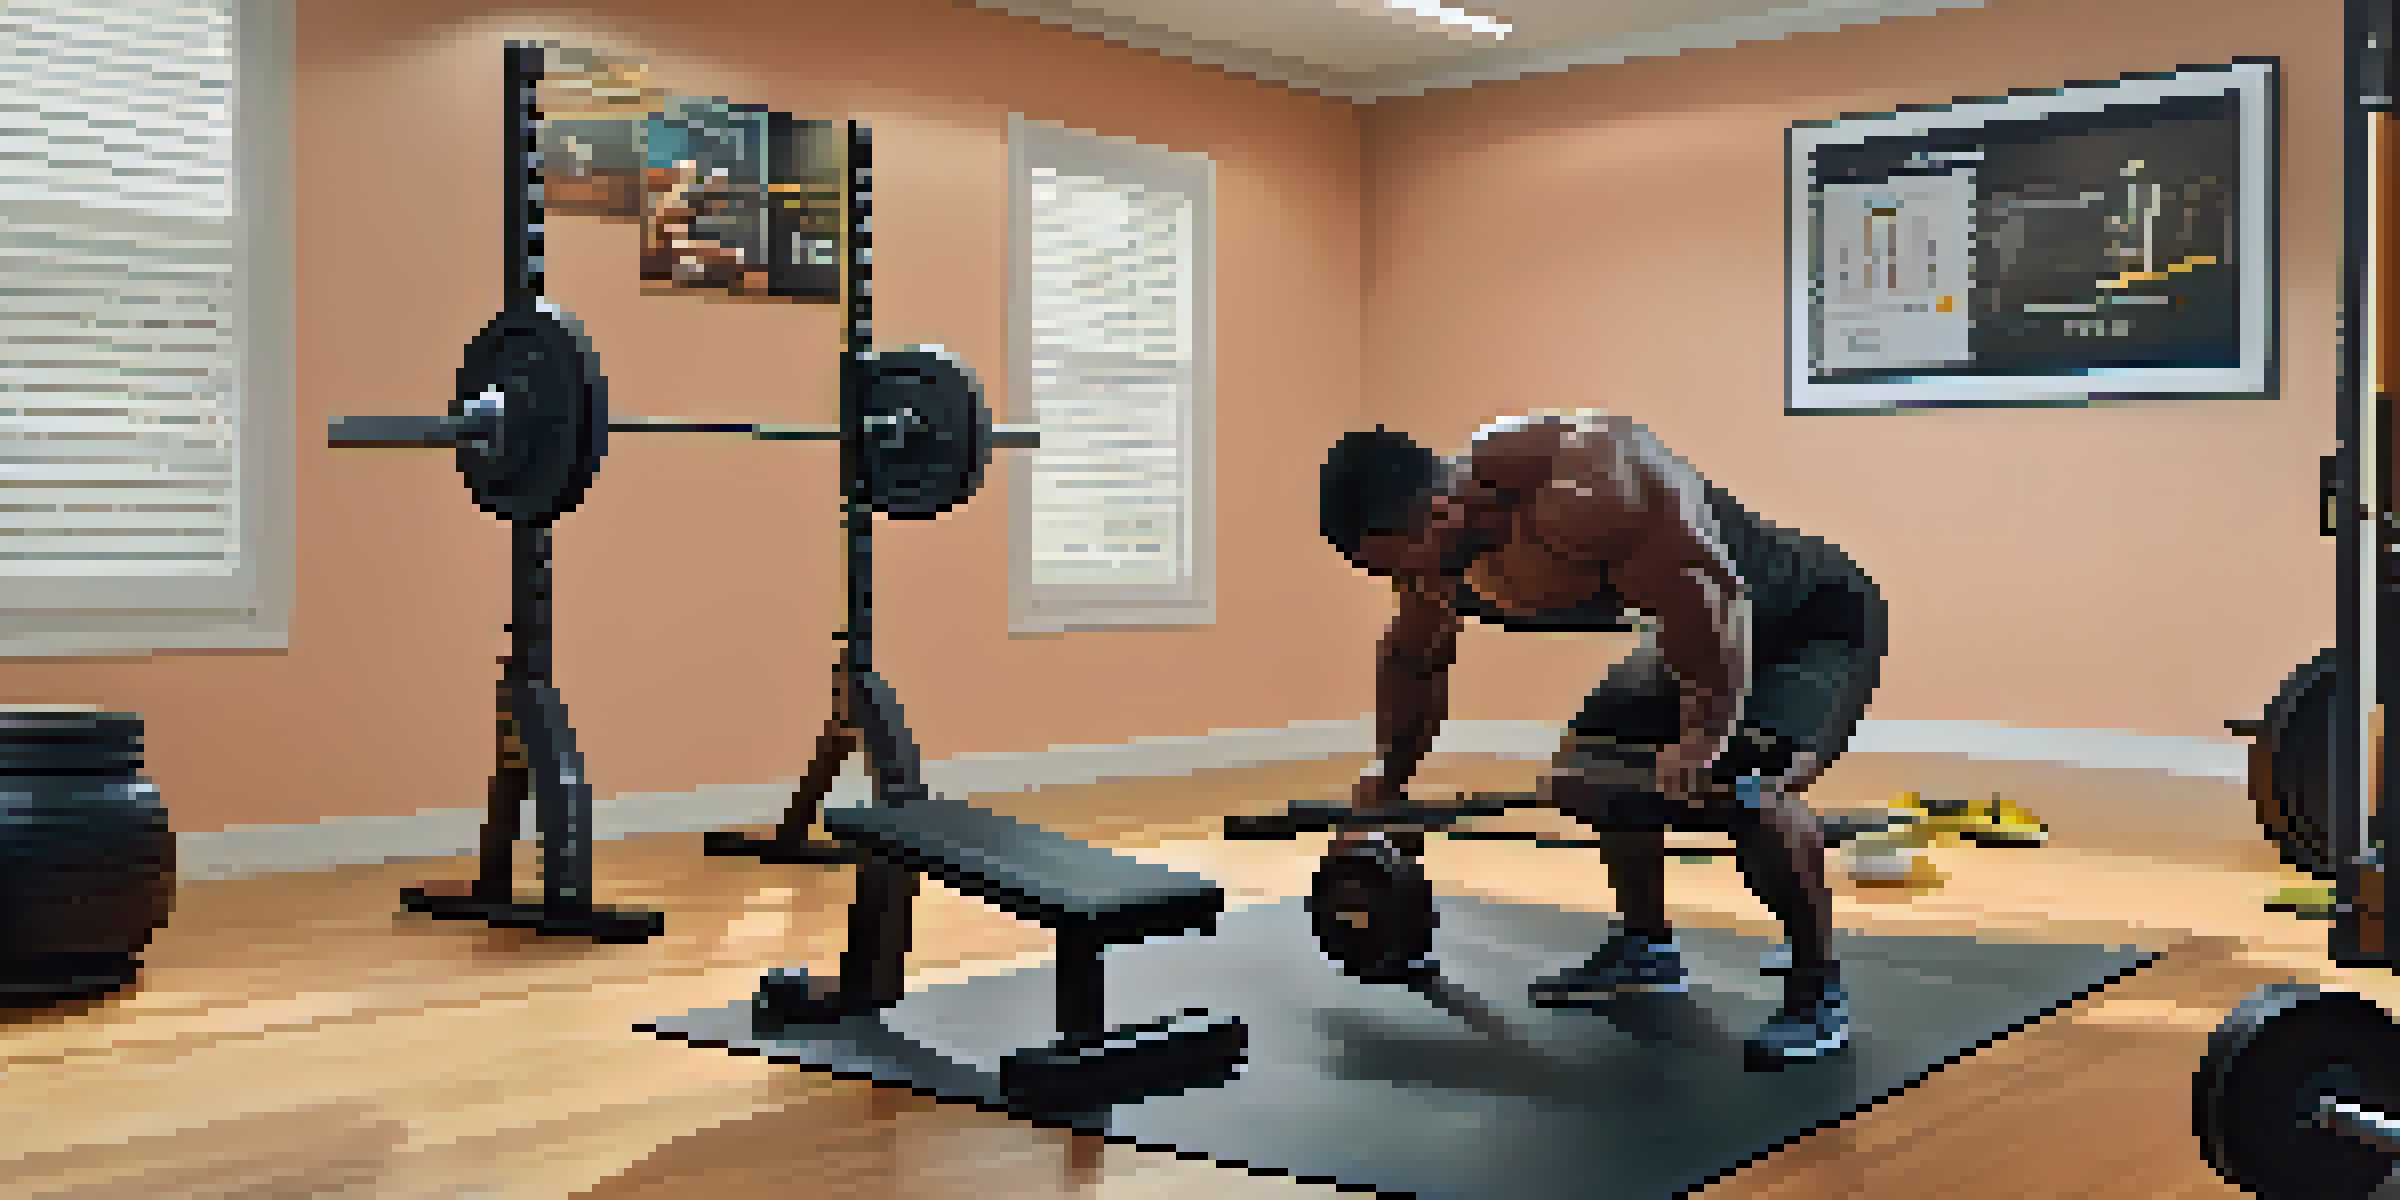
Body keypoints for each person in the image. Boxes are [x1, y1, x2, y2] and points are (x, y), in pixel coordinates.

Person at [1317, 414, 1888, 1070]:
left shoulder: (1585, 481)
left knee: (1750, 790)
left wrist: (1702, 742)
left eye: (1406, 560)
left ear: (1438, 511)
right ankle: (1646, 946)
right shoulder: (1429, 560)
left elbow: (1716, 593)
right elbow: (1415, 659)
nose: (1408, 580)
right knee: (1590, 772)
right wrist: (1389, 773)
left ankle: (1818, 988)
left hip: (1805, 621)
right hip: (1692, 635)